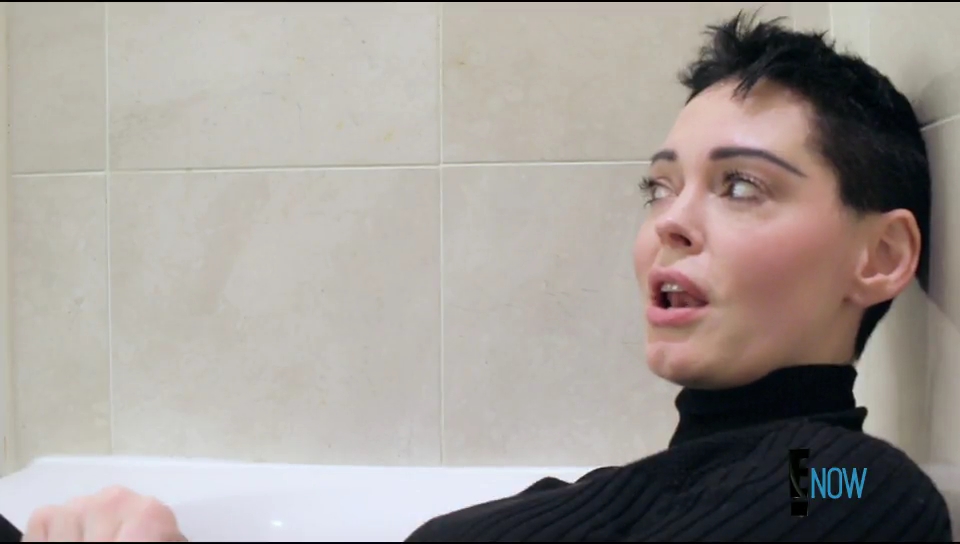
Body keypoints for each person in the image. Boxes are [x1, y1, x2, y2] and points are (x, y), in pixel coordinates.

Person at [2, 10, 952, 542]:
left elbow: (832, 494)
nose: (670, 220)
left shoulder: (843, 483)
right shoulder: (630, 490)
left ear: (880, 258)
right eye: (659, 186)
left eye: (742, 186)